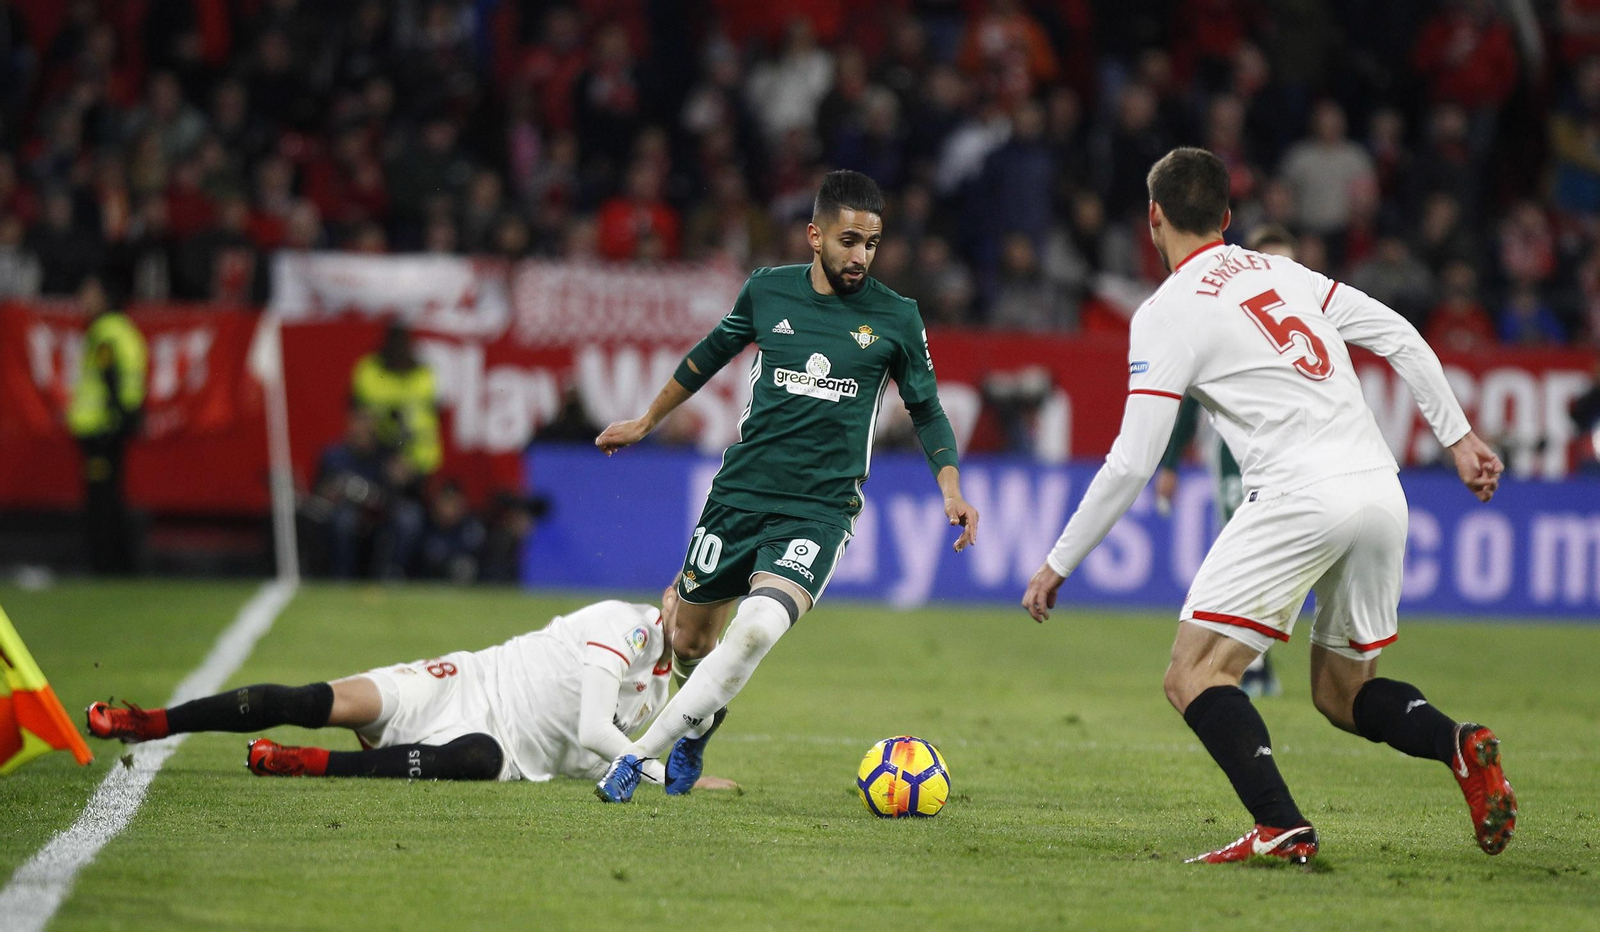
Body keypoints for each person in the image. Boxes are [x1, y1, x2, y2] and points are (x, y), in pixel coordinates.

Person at [1022, 148, 1514, 865]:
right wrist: (1460, 436)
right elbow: (1400, 335)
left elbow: (1134, 460)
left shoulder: (1167, 312)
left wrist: (1058, 561)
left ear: (1153, 218)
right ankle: (1458, 744)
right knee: (1344, 693)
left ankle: (1281, 827)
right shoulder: (1281, 272)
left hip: (1297, 493)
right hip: (1380, 487)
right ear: (1226, 218)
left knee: (1192, 673)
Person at [592, 170, 979, 802]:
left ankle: (635, 759)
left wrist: (951, 488)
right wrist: (646, 420)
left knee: (756, 628)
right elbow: (708, 355)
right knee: (691, 640)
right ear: (814, 235)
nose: (860, 257)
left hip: (818, 510)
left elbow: (928, 409)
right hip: (739, 493)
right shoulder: (769, 292)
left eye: (872, 245)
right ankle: (700, 721)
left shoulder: (896, 317)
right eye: (849, 241)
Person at [86, 587, 736, 790]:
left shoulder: (661, 704)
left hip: (506, 753)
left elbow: (597, 759)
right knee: (315, 701)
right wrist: (660, 773)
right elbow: (599, 735)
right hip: (465, 685)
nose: (700, 637)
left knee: (477, 760)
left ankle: (303, 765)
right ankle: (149, 722)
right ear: (670, 597)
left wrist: (681, 774)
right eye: (695, 617)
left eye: (715, 627)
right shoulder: (622, 627)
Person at [1153, 224, 1296, 700]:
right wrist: (1170, 463)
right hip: (1235, 451)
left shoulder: (1307, 316)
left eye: (1289, 263)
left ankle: (1258, 658)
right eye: (1274, 261)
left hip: (1291, 451)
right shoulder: (1231, 313)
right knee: (1247, 547)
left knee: (1283, 554)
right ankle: (1252, 663)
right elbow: (1193, 391)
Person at [67, 276, 147, 574]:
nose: (82, 299)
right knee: (112, 495)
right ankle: (118, 563)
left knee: (101, 500)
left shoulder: (105, 332)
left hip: (101, 428)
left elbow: (109, 373)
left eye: (88, 293)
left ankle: (103, 564)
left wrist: (117, 416)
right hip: (114, 426)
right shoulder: (126, 331)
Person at [351, 322, 441, 478]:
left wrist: (413, 460)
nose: (399, 349)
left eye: (403, 343)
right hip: (378, 453)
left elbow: (431, 424)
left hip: (420, 460)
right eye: (395, 343)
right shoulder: (370, 370)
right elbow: (357, 416)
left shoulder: (425, 375)